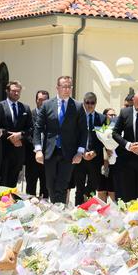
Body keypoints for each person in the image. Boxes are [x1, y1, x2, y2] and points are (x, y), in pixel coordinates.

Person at [33, 76, 88, 204]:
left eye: (69, 87)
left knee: (62, 185)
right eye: (64, 86)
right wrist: (38, 150)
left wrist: (80, 152)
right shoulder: (47, 105)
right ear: (57, 88)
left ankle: (59, 213)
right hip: (50, 152)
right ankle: (54, 209)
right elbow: (38, 128)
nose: (67, 89)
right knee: (50, 185)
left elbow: (84, 131)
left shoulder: (78, 106)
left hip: (69, 153)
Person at [73, 92, 106, 203]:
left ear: (95, 103)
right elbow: (73, 137)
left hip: (95, 158)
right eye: (87, 102)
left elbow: (106, 139)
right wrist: (81, 152)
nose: (89, 105)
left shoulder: (102, 119)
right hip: (80, 157)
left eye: (92, 103)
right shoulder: (76, 117)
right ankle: (78, 210)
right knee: (79, 187)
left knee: (93, 186)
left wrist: (95, 152)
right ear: (84, 102)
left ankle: (88, 207)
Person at [0, 81, 31, 192]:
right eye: (14, 90)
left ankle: (10, 206)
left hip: (18, 151)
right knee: (1, 182)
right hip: (3, 150)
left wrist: (20, 135)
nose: (16, 93)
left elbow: (30, 129)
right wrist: (12, 138)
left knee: (13, 183)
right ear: (7, 91)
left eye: (18, 91)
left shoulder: (25, 108)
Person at [26, 89, 49, 198]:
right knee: (31, 185)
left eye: (45, 100)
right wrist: (36, 147)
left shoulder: (52, 116)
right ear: (36, 100)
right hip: (32, 155)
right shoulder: (29, 114)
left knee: (46, 186)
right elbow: (27, 133)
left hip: (47, 155)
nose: (42, 102)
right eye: (40, 100)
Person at [99, 107, 118, 201]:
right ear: (105, 116)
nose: (113, 117)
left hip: (114, 164)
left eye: (115, 115)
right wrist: (106, 149)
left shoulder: (118, 127)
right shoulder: (101, 129)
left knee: (112, 189)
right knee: (101, 189)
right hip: (102, 163)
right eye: (111, 115)